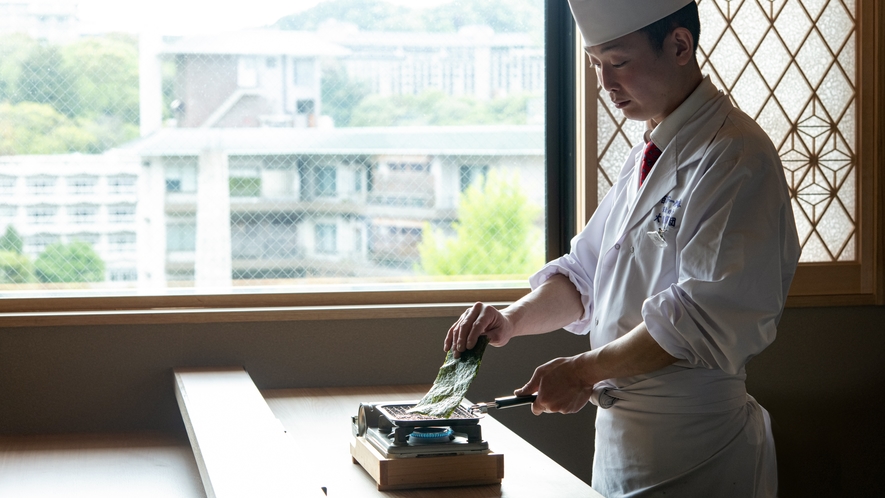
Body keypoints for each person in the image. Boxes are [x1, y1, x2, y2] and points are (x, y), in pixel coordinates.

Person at [444, 1, 801, 496]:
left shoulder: (735, 155)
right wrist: (510, 322)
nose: (605, 84)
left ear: (679, 45)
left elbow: (696, 319)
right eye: (596, 64)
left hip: (697, 449)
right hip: (620, 443)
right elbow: (584, 275)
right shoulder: (648, 153)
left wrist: (582, 371)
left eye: (618, 62)